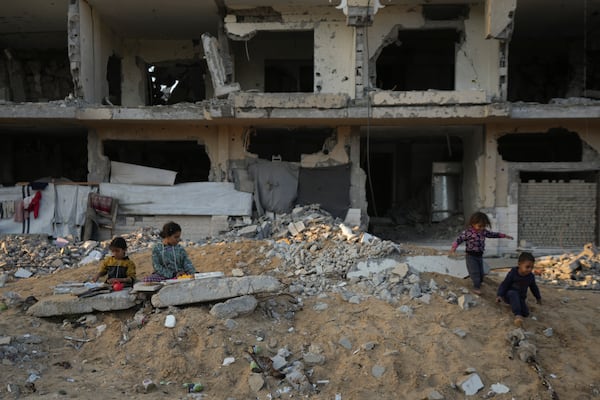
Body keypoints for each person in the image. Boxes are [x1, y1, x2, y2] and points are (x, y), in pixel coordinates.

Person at [449, 211, 513, 294]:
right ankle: (476, 287)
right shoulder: (468, 232)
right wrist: (453, 248)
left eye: (483, 226)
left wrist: (504, 235)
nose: (481, 228)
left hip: (479, 256)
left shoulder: (483, 232)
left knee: (481, 273)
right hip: (470, 256)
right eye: (479, 226)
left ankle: (479, 283)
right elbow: (459, 239)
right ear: (473, 223)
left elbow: (492, 234)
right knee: (475, 272)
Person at [496, 251, 542, 327]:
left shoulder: (530, 277)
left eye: (531, 267)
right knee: (513, 293)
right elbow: (505, 284)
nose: (530, 270)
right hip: (509, 296)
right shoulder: (513, 273)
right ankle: (517, 315)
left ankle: (519, 311)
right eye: (527, 267)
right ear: (519, 264)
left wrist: (538, 298)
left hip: (520, 298)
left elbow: (534, 287)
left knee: (526, 313)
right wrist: (499, 295)